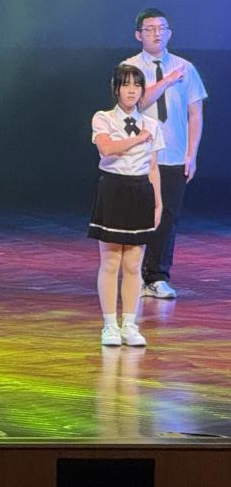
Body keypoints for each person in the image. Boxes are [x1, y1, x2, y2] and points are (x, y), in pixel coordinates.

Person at [123, 8, 208, 300]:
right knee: (136, 215)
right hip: (138, 155)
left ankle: (157, 277)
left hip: (173, 155)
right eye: (150, 29)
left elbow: (195, 114)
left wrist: (191, 154)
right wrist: (167, 80)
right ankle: (133, 275)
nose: (157, 33)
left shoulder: (186, 68)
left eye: (162, 28)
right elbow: (135, 103)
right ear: (138, 35)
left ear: (169, 32)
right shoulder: (130, 67)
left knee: (168, 217)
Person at [89, 63, 163, 347]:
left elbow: (153, 167)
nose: (131, 90)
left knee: (133, 264)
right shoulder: (104, 118)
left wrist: (157, 203)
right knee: (110, 262)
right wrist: (139, 138)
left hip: (140, 191)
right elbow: (106, 148)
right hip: (113, 189)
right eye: (126, 84)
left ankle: (130, 325)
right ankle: (110, 325)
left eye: (137, 85)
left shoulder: (152, 125)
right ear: (116, 89)